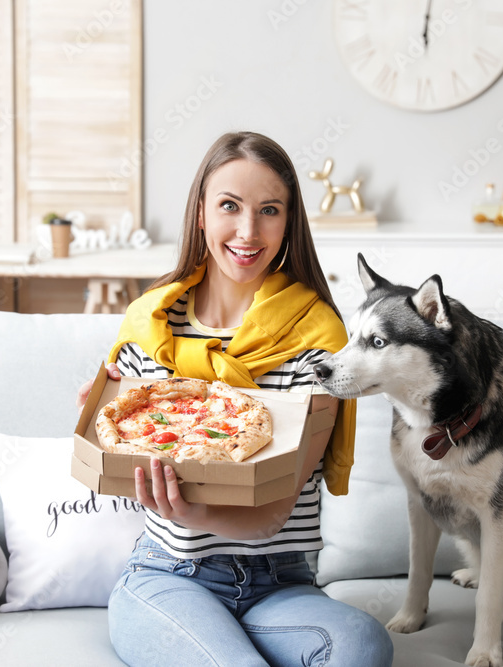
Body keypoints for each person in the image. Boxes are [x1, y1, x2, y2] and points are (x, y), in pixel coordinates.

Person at [76, 131, 393, 666]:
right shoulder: (151, 324)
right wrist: (95, 417)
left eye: (269, 210)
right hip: (168, 577)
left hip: (282, 585)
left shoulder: (318, 340)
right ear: (200, 212)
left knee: (363, 647)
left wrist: (193, 509)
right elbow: (112, 467)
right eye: (230, 206)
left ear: (289, 221)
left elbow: (273, 515)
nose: (248, 231)